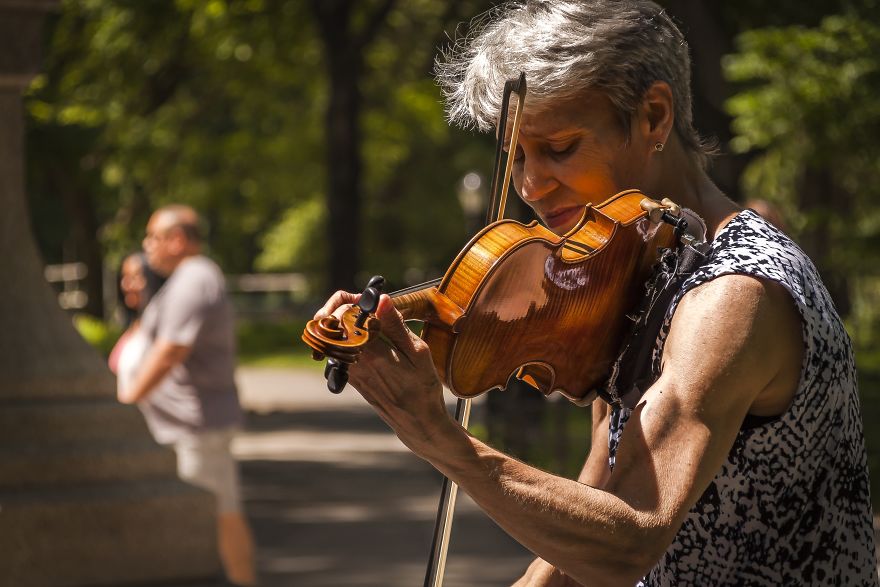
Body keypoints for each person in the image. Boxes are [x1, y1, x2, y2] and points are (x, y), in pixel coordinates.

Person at [314, 2, 878, 585]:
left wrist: (440, 438)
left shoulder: (733, 293)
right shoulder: (637, 273)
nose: (530, 185)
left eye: (559, 148)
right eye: (518, 156)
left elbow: (628, 541)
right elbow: (579, 543)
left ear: (654, 116)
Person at [118, 204, 258, 587]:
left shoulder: (194, 278)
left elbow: (171, 350)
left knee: (199, 525)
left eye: (153, 237)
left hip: (194, 430)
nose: (147, 245)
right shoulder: (190, 278)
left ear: (177, 240)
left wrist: (127, 403)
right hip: (192, 427)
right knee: (223, 514)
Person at [108, 251, 166, 390]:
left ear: (153, 280)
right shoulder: (134, 326)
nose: (125, 284)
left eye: (134, 277)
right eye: (124, 277)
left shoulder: (163, 327)